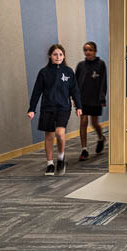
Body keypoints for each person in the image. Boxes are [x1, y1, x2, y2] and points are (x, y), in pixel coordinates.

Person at [27, 44, 82, 176]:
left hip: (63, 107)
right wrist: (32, 109)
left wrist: (79, 106)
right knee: (49, 136)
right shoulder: (44, 72)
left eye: (61, 54)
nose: (58, 57)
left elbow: (75, 90)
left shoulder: (68, 72)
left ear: (64, 56)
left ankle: (61, 158)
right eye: (55, 54)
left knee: (60, 133)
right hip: (47, 108)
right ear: (50, 56)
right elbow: (36, 92)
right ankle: (50, 163)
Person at [75, 41, 106, 162]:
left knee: (94, 123)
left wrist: (102, 97)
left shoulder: (101, 64)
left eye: (90, 50)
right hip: (82, 98)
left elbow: (103, 82)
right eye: (85, 50)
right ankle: (84, 149)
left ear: (95, 51)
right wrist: (75, 98)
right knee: (83, 121)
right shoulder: (80, 65)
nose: (88, 52)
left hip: (96, 98)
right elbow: (75, 83)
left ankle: (101, 138)